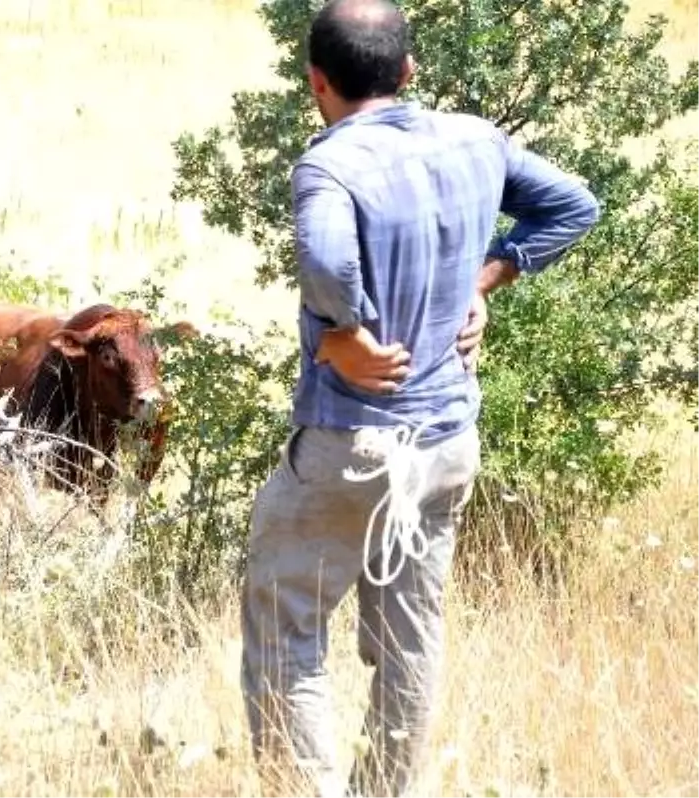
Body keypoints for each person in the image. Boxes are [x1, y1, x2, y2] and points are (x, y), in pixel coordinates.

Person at [238, 0, 601, 795]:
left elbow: (330, 266)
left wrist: (342, 333)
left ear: (316, 83)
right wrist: (489, 273)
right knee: (408, 641)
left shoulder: (328, 167)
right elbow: (575, 204)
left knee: (285, 626)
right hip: (444, 445)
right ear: (409, 72)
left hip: (354, 444)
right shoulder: (474, 138)